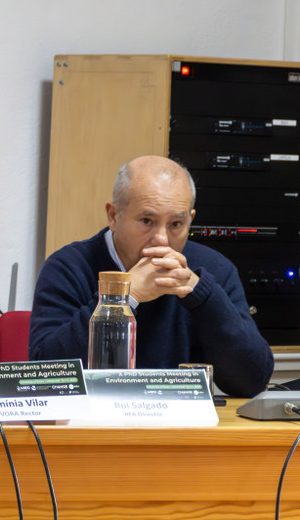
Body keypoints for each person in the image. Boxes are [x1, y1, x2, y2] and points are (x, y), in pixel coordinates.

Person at [29, 155, 273, 398]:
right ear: (114, 216)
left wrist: (202, 296)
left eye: (176, 224)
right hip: (95, 427)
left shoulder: (215, 269)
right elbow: (46, 375)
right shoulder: (68, 267)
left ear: (191, 220)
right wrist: (125, 297)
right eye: (147, 221)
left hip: (184, 429)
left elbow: (252, 381)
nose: (162, 240)